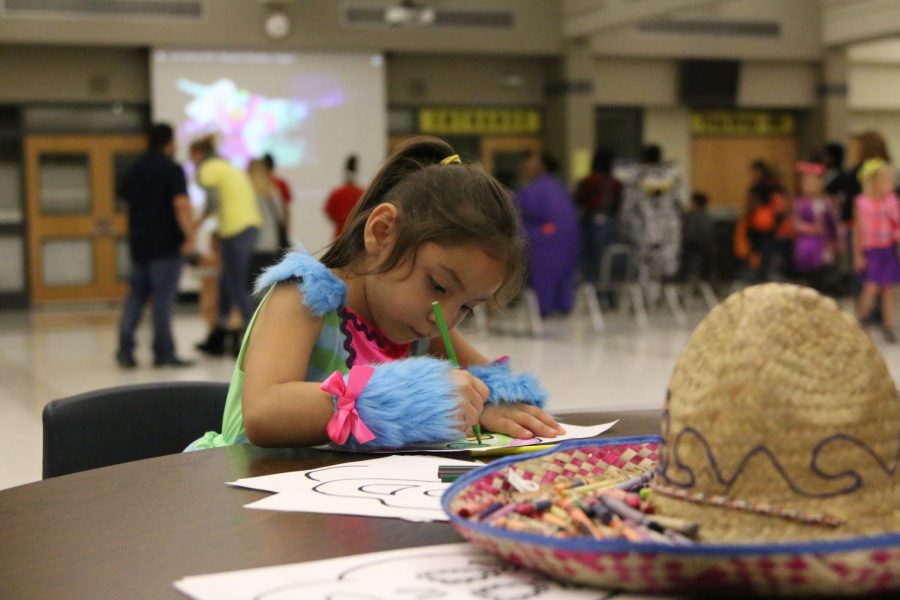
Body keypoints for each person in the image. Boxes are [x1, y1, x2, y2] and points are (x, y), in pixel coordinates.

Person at [186, 137, 564, 451]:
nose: (444, 318)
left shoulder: (420, 324)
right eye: (437, 285)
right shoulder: (305, 298)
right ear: (382, 232)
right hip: (247, 502)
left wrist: (485, 405)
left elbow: (487, 386)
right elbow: (265, 412)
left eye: (467, 307)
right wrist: (413, 400)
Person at [115, 123, 195, 368]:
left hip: (139, 244)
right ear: (169, 142)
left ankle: (125, 351)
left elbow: (126, 204)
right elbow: (180, 204)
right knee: (162, 300)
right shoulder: (172, 169)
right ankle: (164, 353)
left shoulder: (133, 170)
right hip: (166, 245)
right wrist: (190, 236)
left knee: (136, 297)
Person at [190, 136, 262, 356]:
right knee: (226, 282)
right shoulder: (226, 167)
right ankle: (218, 336)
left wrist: (197, 223)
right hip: (246, 227)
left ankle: (254, 339)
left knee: (235, 284)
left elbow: (213, 201)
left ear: (199, 154)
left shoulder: (208, 168)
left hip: (236, 230)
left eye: (192, 156)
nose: (191, 161)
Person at [514, 152, 580, 317]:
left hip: (544, 245)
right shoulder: (560, 188)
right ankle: (563, 305)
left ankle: (544, 308)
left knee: (544, 280)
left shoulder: (534, 190)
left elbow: (518, 212)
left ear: (539, 167)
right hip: (567, 244)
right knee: (562, 278)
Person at [854, 158, 900, 343]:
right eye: (886, 180)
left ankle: (888, 325)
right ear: (873, 181)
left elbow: (896, 224)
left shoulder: (892, 201)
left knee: (888, 289)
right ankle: (861, 320)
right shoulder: (862, 203)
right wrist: (858, 255)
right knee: (871, 287)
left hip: (888, 249)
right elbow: (858, 231)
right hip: (871, 250)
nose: (890, 185)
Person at [574, 147, 622, 305]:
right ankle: (611, 295)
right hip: (611, 223)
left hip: (592, 223)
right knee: (611, 259)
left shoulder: (589, 181)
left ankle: (595, 295)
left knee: (593, 260)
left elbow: (578, 200)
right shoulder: (615, 183)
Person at [792, 161, 838, 291]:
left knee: (823, 276)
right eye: (807, 183)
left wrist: (836, 240)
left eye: (813, 183)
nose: (810, 186)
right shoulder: (800, 203)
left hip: (824, 244)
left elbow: (833, 223)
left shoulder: (827, 202)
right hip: (807, 244)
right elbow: (795, 222)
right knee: (808, 278)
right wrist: (810, 229)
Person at [248, 157, 287, 286]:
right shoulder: (274, 191)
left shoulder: (248, 192)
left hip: (253, 245)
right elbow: (281, 217)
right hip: (271, 244)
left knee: (250, 288)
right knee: (270, 288)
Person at [324, 154, 365, 239]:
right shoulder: (362, 193)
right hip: (358, 236)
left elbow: (329, 213)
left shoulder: (336, 193)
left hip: (340, 236)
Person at [680, 192, 715, 285]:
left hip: (693, 258)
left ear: (694, 203)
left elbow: (689, 237)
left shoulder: (691, 218)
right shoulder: (708, 217)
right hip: (707, 260)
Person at [263, 153, 292, 245]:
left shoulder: (255, 185)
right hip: (277, 227)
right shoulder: (280, 184)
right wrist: (286, 229)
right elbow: (285, 209)